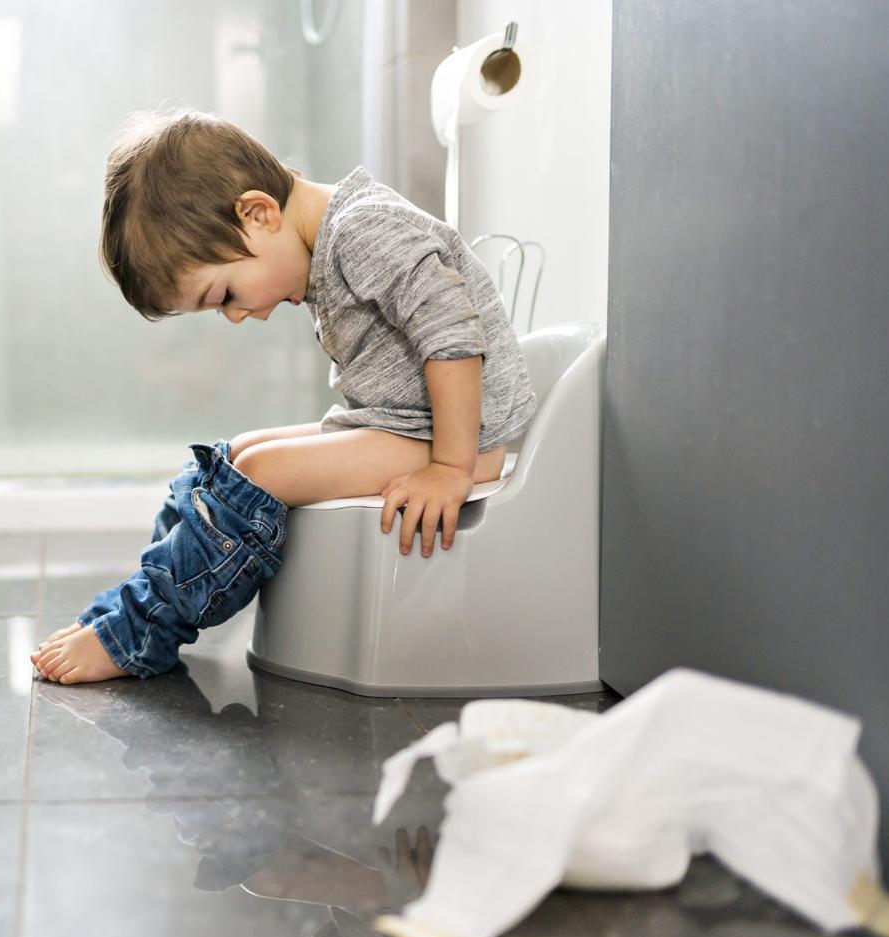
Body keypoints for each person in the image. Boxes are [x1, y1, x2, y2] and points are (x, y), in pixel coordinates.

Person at [31, 108, 537, 684]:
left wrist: (451, 466)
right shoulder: (339, 233)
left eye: (223, 294)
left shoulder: (362, 228)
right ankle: (138, 601)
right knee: (234, 458)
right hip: (406, 425)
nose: (236, 316)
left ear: (258, 213)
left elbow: (451, 329)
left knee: (261, 472)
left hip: (457, 438)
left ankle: (140, 630)